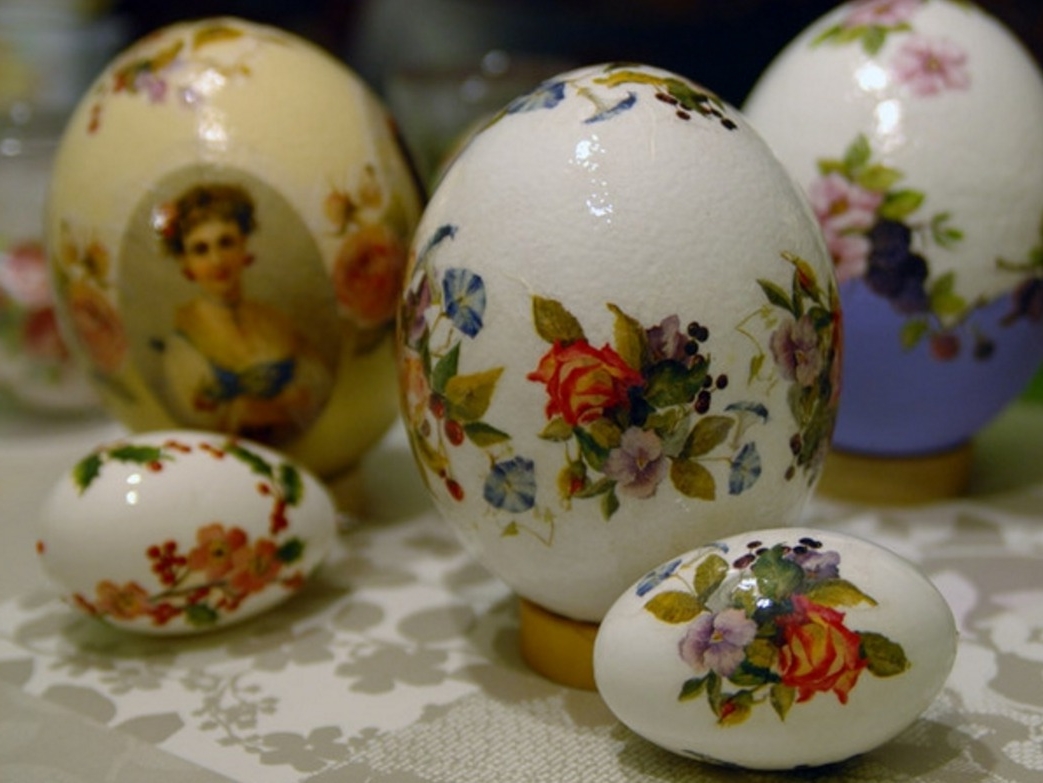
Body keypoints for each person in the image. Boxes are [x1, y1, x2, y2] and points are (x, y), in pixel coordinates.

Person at [156, 183, 333, 444]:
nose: (217, 261)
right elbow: (199, 423)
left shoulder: (276, 320)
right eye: (201, 249)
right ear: (187, 264)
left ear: (243, 246)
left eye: (225, 242)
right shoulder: (184, 343)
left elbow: (318, 386)